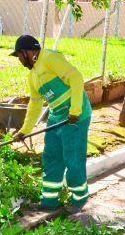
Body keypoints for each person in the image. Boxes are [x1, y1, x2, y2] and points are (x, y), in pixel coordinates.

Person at [11, 35, 93, 211]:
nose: (19, 60)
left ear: (27, 52)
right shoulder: (32, 76)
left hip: (75, 116)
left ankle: (80, 199)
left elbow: (76, 78)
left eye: (19, 55)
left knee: (72, 158)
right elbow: (35, 104)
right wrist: (24, 131)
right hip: (56, 116)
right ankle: (49, 201)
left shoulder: (49, 57)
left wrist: (75, 111)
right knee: (51, 157)